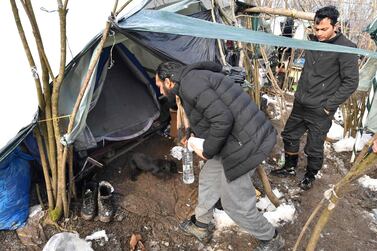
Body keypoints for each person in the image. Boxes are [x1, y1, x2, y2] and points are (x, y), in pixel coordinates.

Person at [155, 61, 284, 250]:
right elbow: (211, 114)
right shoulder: (192, 80)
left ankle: (270, 237)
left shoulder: (191, 84)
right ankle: (201, 225)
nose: (159, 88)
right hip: (236, 138)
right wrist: (194, 136)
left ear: (168, 81)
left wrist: (207, 150)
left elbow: (223, 119)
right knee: (209, 179)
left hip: (242, 145)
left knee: (235, 204)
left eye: (159, 84)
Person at [271, 5, 359, 190]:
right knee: (289, 135)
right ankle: (289, 167)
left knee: (314, 146)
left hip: (321, 109)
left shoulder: (347, 48)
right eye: (316, 28)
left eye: (323, 29)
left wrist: (329, 106)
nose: (318, 33)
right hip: (301, 102)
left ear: (335, 26)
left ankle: (310, 175)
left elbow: (351, 82)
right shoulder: (312, 41)